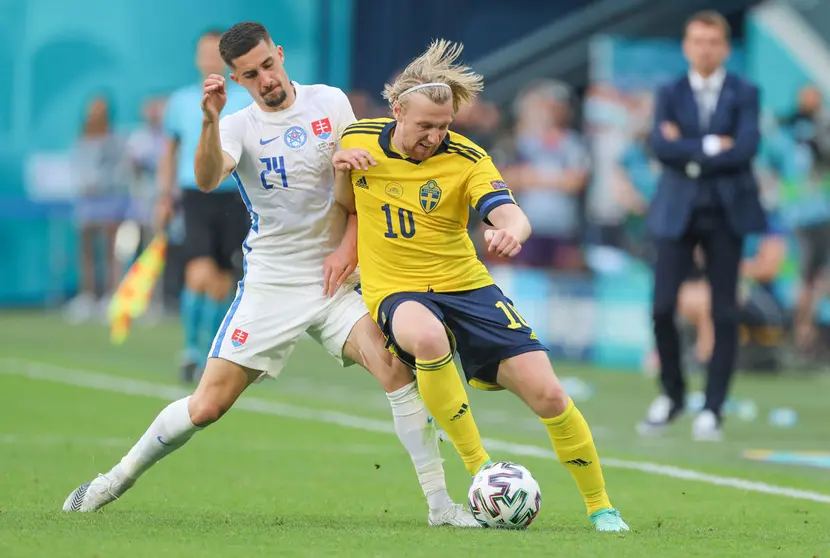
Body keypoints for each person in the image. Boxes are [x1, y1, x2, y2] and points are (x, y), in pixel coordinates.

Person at [62, 21, 476, 528]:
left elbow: (361, 190)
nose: (266, 79)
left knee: (395, 371)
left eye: (268, 66)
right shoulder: (237, 126)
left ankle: (441, 508)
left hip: (333, 282)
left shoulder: (330, 102)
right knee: (207, 407)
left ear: (279, 55)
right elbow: (208, 176)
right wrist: (210, 122)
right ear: (236, 80)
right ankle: (114, 479)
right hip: (272, 284)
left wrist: (348, 245)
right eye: (251, 75)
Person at [333, 39, 629, 533]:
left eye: (444, 126)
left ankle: (601, 506)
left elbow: (508, 210)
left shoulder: (467, 158)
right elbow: (346, 203)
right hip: (397, 288)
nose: (434, 136)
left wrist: (511, 230)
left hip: (468, 288)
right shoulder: (356, 138)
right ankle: (482, 470)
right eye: (425, 125)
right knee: (426, 338)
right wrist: (342, 176)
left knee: (550, 395)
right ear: (396, 110)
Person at [639, 10, 766, 441]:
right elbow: (660, 147)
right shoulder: (669, 92)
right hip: (678, 209)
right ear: (686, 45)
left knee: (724, 311)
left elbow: (745, 148)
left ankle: (712, 407)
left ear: (725, 47)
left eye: (713, 41)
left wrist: (687, 148)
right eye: (698, 40)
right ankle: (672, 395)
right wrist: (713, 145)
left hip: (727, 211)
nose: (705, 48)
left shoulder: (745, 92)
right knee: (661, 307)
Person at [156, 30, 252, 382]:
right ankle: (190, 349)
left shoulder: (244, 99)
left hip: (236, 196)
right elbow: (170, 150)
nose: (209, 57)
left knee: (222, 281)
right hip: (195, 196)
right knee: (198, 272)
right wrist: (164, 197)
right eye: (204, 51)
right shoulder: (180, 101)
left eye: (216, 51)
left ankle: (211, 353)